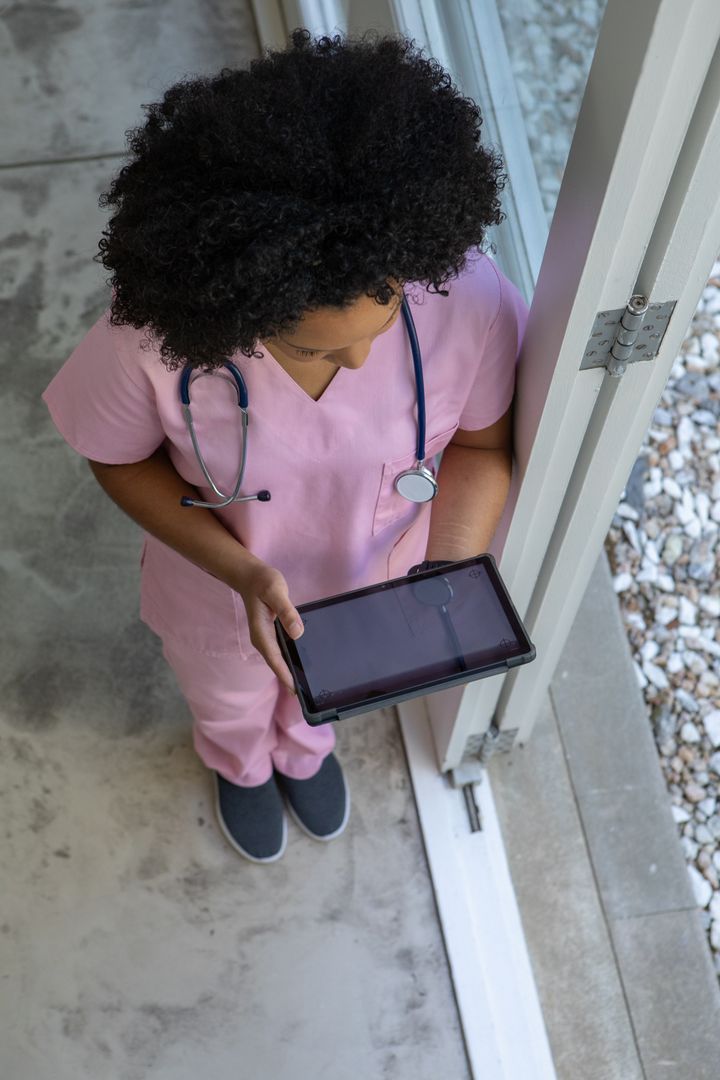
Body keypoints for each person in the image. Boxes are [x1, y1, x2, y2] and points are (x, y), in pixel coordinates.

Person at [41, 28, 528, 865]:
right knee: (226, 694)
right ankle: (237, 763)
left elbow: (481, 449)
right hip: (222, 589)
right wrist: (245, 575)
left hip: (375, 586)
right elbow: (117, 460)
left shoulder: (467, 295)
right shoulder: (149, 340)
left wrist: (448, 564)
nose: (361, 360)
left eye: (381, 320)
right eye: (315, 349)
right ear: (234, 302)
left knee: (322, 703)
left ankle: (305, 753)